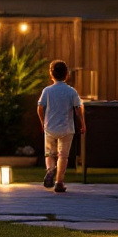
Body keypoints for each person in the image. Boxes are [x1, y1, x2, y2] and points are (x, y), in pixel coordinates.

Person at [37, 60, 85, 193]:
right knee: (63, 156)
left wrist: (43, 122)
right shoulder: (71, 91)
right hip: (66, 128)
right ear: (66, 74)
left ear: (51, 74)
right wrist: (83, 124)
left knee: (49, 154)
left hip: (50, 127)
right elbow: (78, 109)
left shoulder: (47, 90)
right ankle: (59, 182)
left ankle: (50, 170)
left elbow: (40, 108)